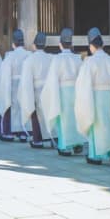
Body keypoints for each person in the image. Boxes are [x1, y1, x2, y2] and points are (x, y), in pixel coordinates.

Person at [74, 27, 110, 166]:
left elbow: (83, 84)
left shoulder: (89, 62)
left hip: (95, 97)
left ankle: (95, 155)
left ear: (91, 45)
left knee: (96, 125)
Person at [41, 27, 85, 156]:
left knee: (63, 119)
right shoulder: (78, 59)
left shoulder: (57, 59)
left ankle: (65, 146)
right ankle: (78, 143)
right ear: (71, 44)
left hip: (62, 92)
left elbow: (52, 79)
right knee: (75, 117)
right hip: (76, 91)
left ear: (60, 44)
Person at [18, 31, 53, 149]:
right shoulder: (51, 58)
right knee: (51, 114)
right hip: (49, 90)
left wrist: (28, 96)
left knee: (35, 114)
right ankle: (54, 138)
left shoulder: (30, 59)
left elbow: (26, 81)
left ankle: (38, 140)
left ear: (34, 45)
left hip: (36, 90)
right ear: (45, 45)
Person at [0, 28, 30, 141]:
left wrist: (4, 91)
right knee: (24, 107)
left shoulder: (10, 56)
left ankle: (9, 133)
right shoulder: (29, 55)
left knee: (11, 108)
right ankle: (24, 133)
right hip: (26, 85)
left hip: (13, 85)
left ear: (13, 43)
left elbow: (4, 76)